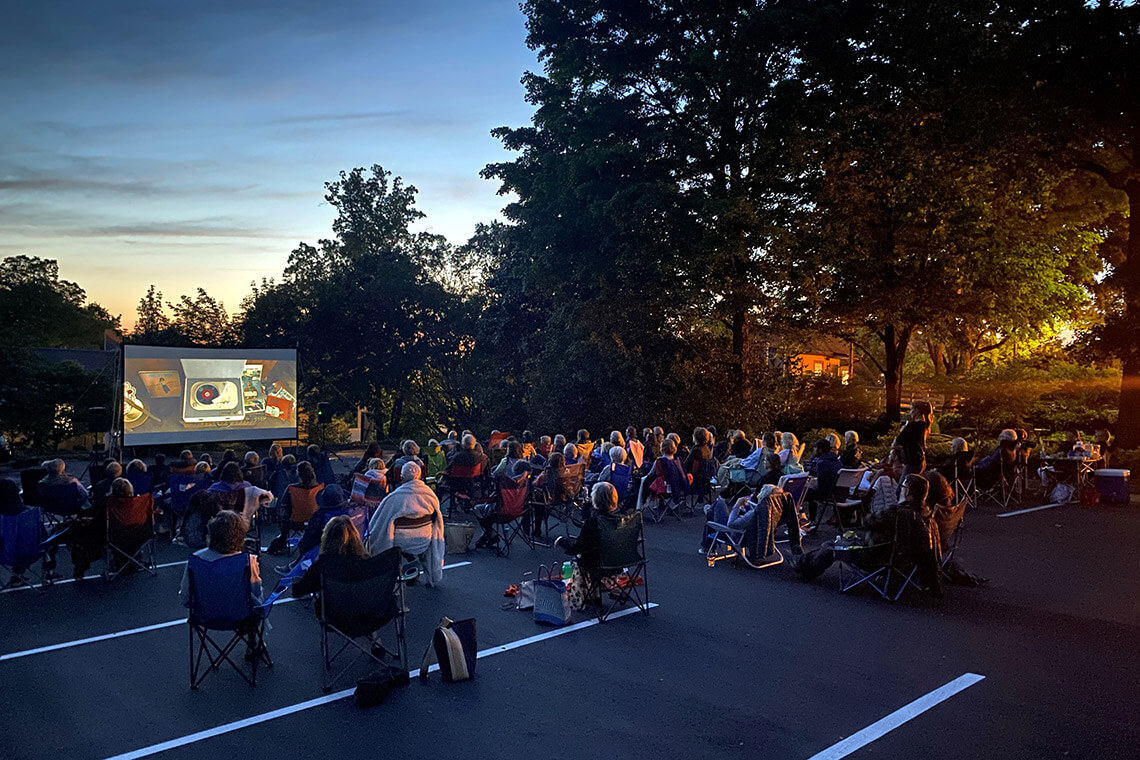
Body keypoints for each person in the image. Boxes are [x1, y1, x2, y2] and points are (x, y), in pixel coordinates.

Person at [367, 462, 445, 585]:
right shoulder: (430, 495)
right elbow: (437, 520)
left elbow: (378, 523)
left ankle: (397, 570)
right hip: (424, 539)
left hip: (400, 542)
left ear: (402, 477)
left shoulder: (394, 498)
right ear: (419, 476)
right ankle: (415, 566)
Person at [178, 510, 262, 607]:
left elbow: (185, 598)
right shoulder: (248, 561)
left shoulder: (195, 560)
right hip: (240, 616)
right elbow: (256, 593)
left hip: (205, 616)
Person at [291, 514, 370, 601]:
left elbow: (298, 592)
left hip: (332, 609)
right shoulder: (366, 561)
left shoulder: (323, 563)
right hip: (359, 609)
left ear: (327, 537)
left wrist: (296, 580)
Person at [555, 482, 620, 584]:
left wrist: (562, 542)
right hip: (617, 565)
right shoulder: (619, 521)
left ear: (595, 499)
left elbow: (579, 548)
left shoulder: (593, 523)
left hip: (596, 565)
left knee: (577, 562)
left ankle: (582, 597)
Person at [267, 460, 324, 554]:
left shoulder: (291, 489)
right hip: (315, 522)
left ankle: (283, 539)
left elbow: (283, 506)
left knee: (284, 514)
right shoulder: (321, 488)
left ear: (298, 474)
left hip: (295, 522)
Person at [895, 401, 932, 475]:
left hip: (912, 462)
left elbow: (899, 440)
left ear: (917, 411)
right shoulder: (924, 426)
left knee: (903, 485)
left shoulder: (912, 426)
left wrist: (903, 429)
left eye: (911, 409)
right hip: (920, 460)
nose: (910, 412)